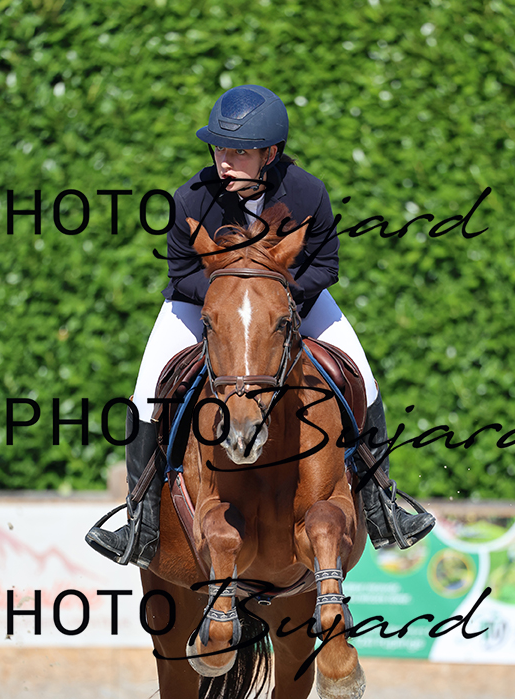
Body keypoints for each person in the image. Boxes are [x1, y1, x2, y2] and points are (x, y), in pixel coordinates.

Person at [86, 84, 435, 569]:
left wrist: (274, 296)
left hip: (292, 301)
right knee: (147, 390)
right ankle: (139, 522)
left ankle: (382, 507)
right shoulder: (191, 197)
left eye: (239, 152)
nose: (225, 162)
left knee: (366, 379)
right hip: (202, 304)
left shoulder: (308, 192)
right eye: (219, 149)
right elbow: (181, 272)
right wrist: (232, 297)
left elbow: (326, 266)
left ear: (270, 154)